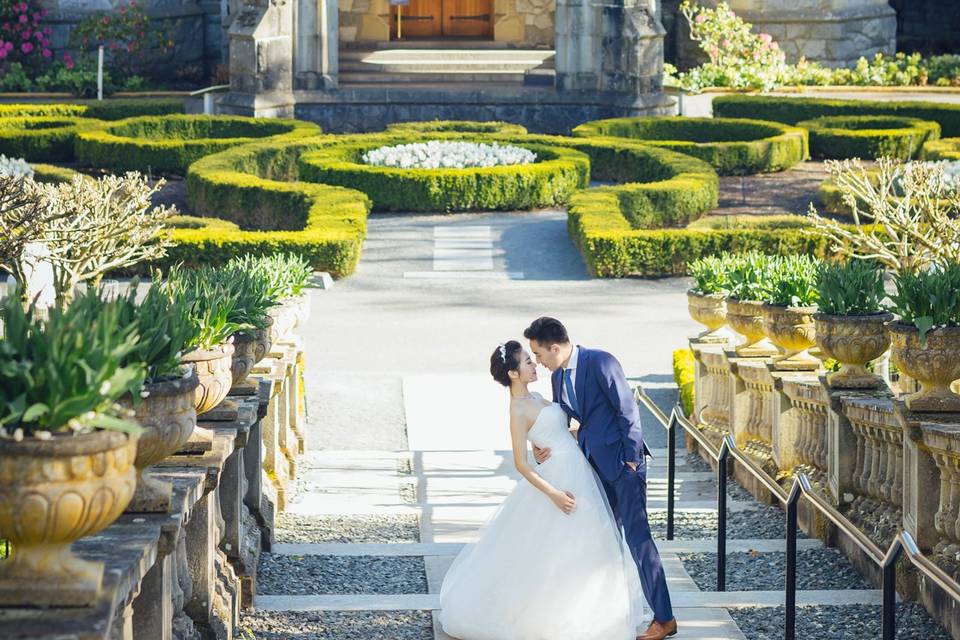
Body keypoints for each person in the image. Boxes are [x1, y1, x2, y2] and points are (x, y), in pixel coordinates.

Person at [439, 340, 647, 640]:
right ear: (513, 373)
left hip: (578, 469)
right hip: (558, 480)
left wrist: (571, 436)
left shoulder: (537, 395)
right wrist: (553, 493)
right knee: (558, 548)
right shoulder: (518, 409)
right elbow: (521, 464)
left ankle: (591, 611)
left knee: (590, 542)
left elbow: (560, 431)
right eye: (527, 361)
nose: (534, 363)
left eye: (533, 358)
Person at [525, 317, 677, 640]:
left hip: (624, 467)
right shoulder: (558, 377)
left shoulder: (600, 362)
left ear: (555, 347)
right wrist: (538, 446)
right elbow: (561, 420)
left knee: (638, 540)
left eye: (538, 354)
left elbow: (628, 412)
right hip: (593, 467)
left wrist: (633, 462)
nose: (538, 361)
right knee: (602, 539)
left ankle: (664, 618)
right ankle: (609, 613)